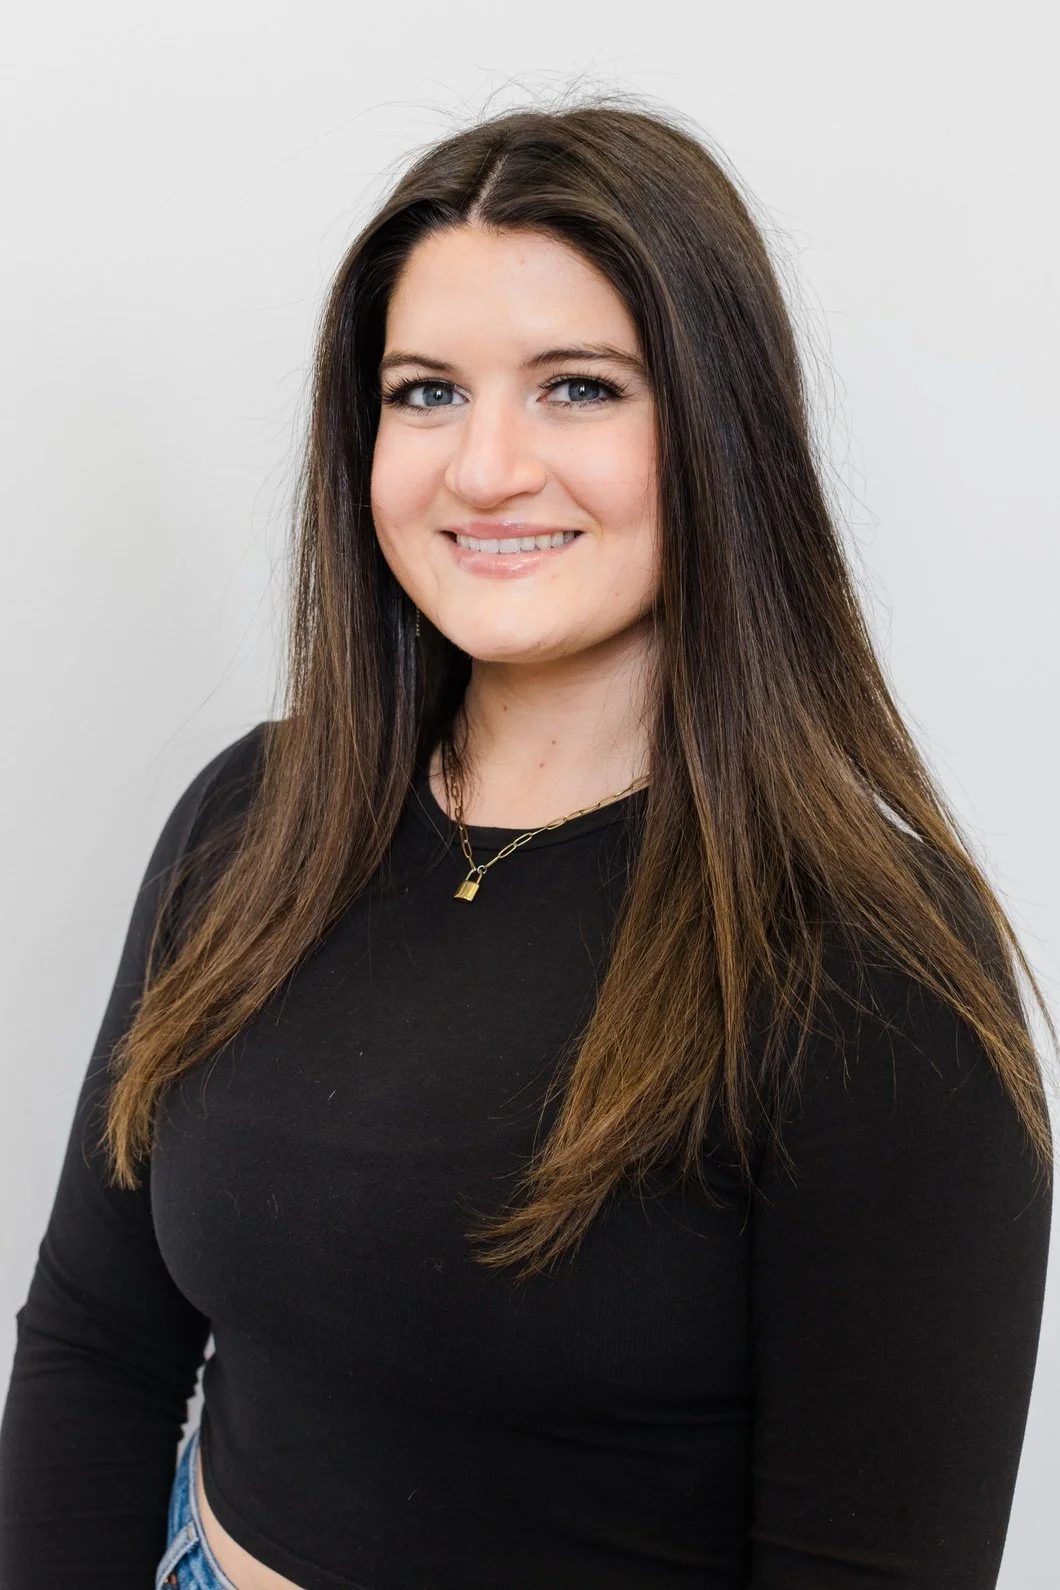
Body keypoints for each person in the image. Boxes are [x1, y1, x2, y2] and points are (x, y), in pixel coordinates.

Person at [0, 95, 1053, 1590]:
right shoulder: (251, 819)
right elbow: (97, 1346)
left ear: (716, 425)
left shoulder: (874, 961)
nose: (486, 468)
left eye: (577, 388)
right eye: (426, 392)